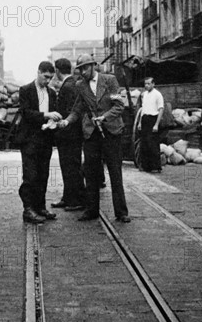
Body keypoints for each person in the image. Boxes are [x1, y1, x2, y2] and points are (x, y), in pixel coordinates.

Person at [58, 54, 130, 223]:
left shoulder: (110, 80)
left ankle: (121, 212)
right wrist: (66, 121)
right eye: (80, 69)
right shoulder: (80, 85)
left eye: (85, 68)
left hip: (111, 132)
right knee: (91, 173)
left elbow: (119, 106)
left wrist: (104, 117)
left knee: (115, 172)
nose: (82, 72)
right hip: (91, 134)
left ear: (93, 66)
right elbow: (77, 110)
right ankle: (92, 210)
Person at [15, 61, 61, 224]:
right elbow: (26, 113)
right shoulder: (26, 90)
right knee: (30, 175)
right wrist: (46, 115)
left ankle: (40, 207)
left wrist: (54, 122)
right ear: (38, 72)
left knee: (43, 174)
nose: (47, 81)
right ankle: (28, 209)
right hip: (29, 139)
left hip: (45, 138)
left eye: (50, 78)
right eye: (45, 77)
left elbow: (55, 112)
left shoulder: (52, 92)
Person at [52, 58, 86, 212]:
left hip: (69, 135)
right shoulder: (72, 83)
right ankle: (68, 198)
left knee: (71, 167)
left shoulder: (68, 86)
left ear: (57, 71)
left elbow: (71, 111)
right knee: (68, 167)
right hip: (71, 134)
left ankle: (77, 200)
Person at [137, 77, 164, 173]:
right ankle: (146, 166)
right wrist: (140, 122)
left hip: (153, 119)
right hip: (145, 119)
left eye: (148, 84)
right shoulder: (144, 94)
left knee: (153, 144)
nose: (146, 86)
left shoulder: (158, 94)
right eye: (145, 84)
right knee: (144, 143)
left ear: (153, 84)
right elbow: (143, 109)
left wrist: (156, 124)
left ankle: (156, 166)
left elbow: (161, 109)